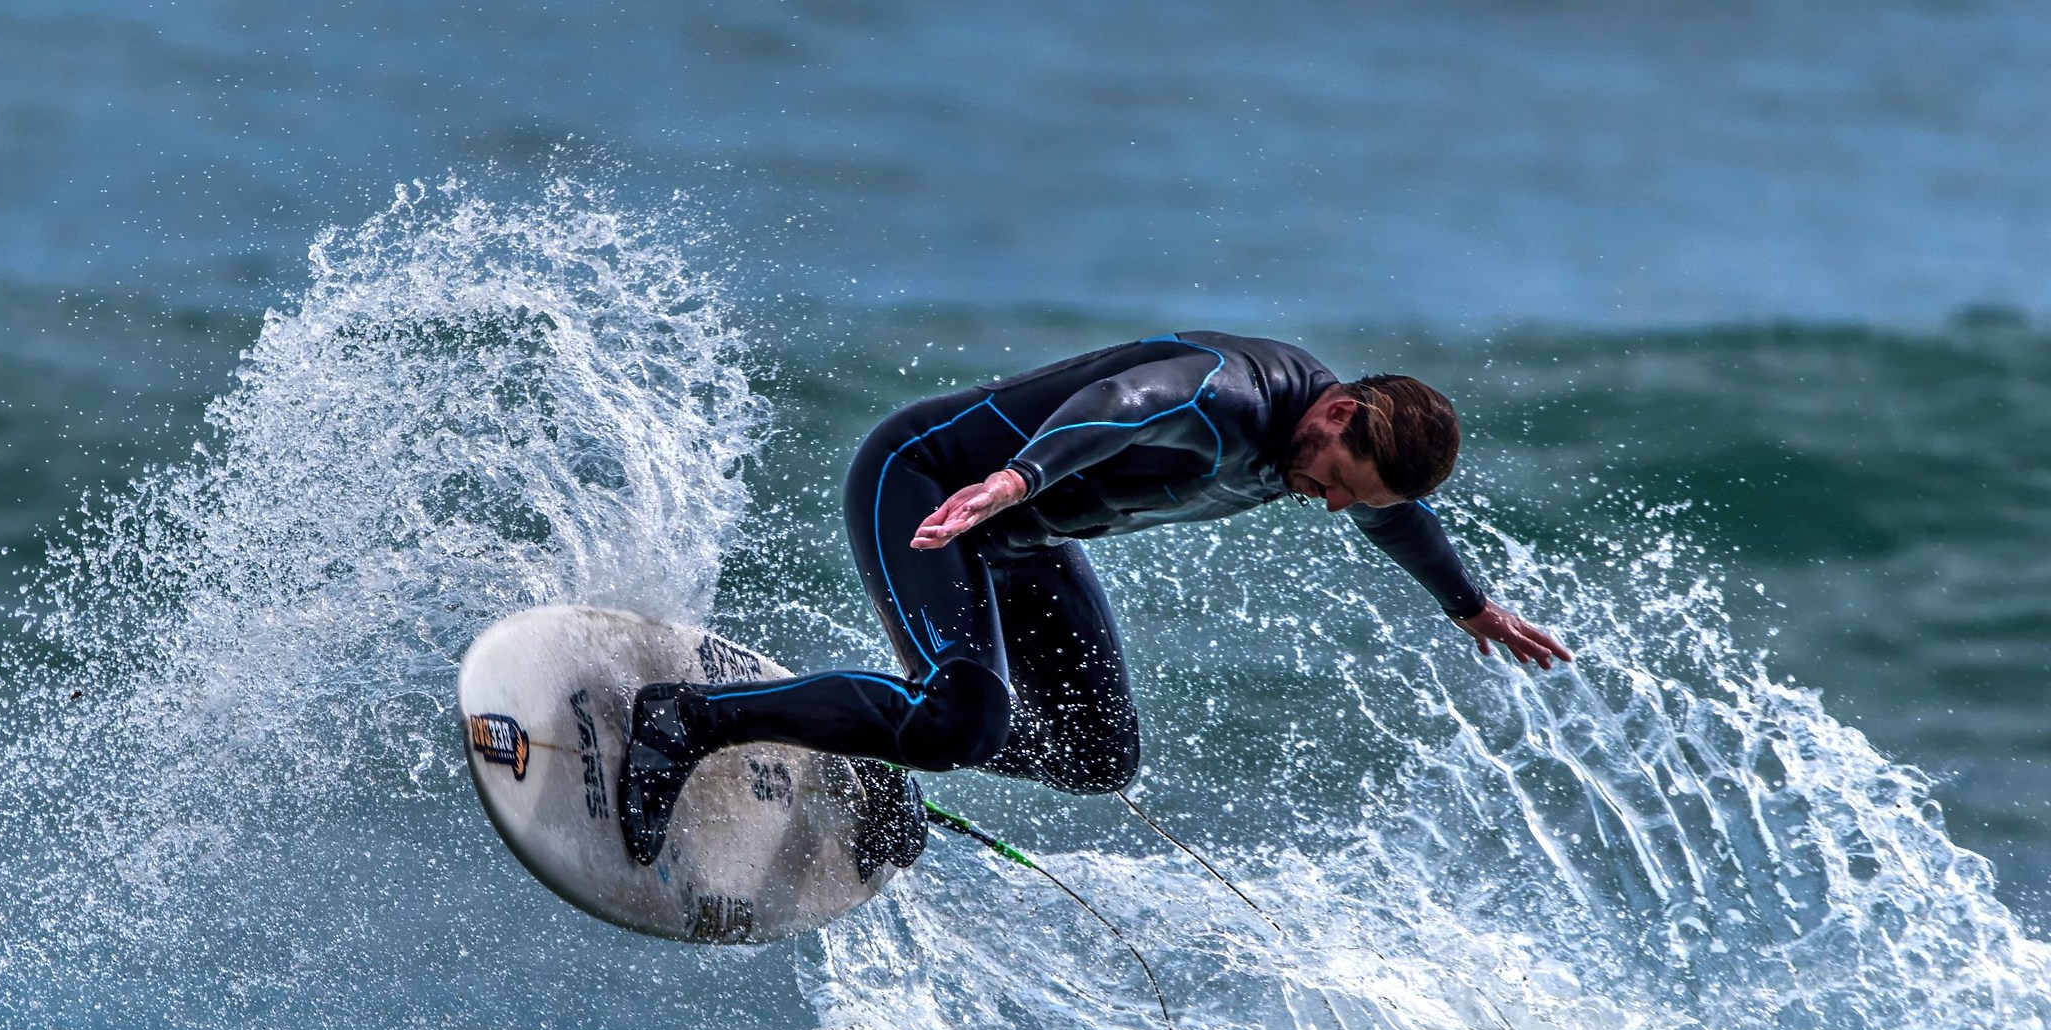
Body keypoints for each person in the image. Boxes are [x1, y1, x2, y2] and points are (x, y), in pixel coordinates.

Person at [620, 333, 1571, 871]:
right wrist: (1016, 479)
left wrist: (1469, 607)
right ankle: (687, 719)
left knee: (1096, 757)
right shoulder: (1229, 397)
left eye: (1346, 501)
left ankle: (872, 753)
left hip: (1022, 538)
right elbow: (1125, 400)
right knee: (962, 720)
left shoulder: (1320, 452)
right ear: (1338, 415)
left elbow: (1394, 520)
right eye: (1336, 483)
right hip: (931, 488)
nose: (1329, 504)